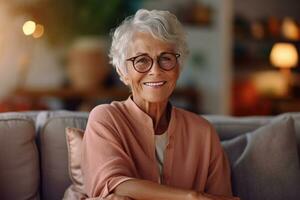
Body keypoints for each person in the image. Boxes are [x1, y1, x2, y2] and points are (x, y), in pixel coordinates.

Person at [82, 9, 239, 200]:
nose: (155, 71)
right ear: (123, 72)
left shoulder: (203, 133)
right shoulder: (106, 118)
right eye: (141, 61)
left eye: (166, 58)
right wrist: (191, 197)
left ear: (178, 68)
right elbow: (112, 184)